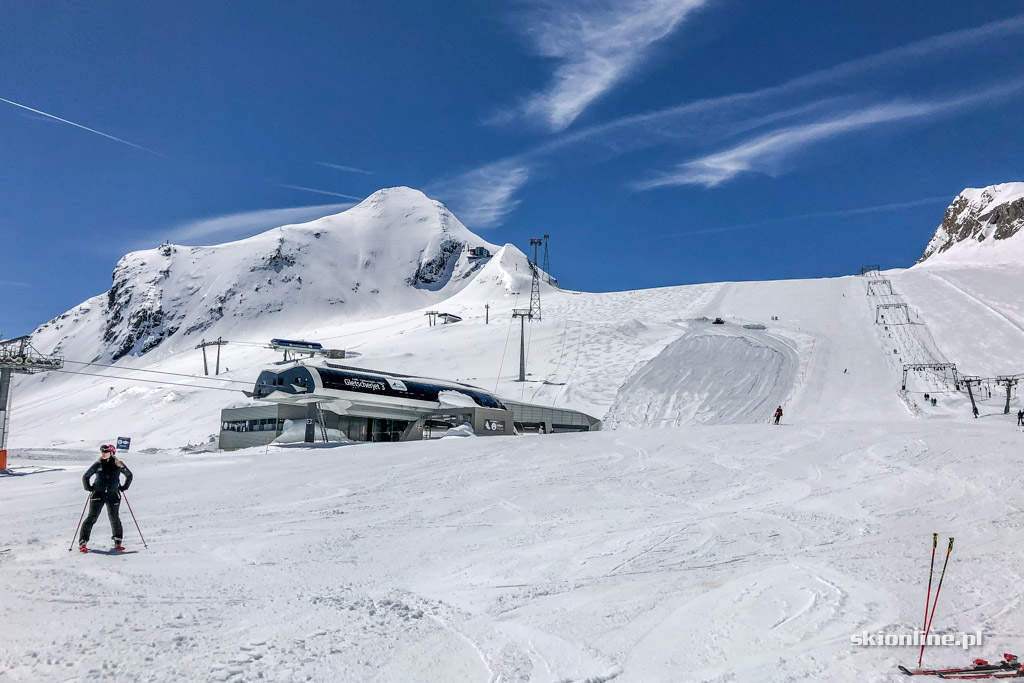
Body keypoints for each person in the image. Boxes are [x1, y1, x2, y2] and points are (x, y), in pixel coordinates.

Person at [79, 444, 133, 552]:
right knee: (92, 517)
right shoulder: (98, 464)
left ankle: (118, 542)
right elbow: (86, 476)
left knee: (114, 518)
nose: (103, 453)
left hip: (113, 495)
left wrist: (124, 487)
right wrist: (89, 488)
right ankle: (83, 542)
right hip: (98, 494)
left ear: (112, 453)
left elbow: (129, 475)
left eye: (106, 451)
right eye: (102, 451)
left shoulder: (118, 464)